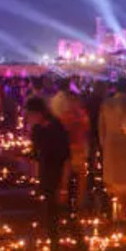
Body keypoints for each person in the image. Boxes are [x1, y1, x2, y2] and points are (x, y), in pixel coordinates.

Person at [25, 97, 71, 251]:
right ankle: (54, 245)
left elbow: (66, 157)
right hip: (45, 174)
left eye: (31, 115)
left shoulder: (56, 128)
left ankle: (62, 248)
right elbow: (36, 154)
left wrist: (64, 186)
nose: (29, 118)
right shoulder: (38, 130)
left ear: (40, 113)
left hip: (59, 173)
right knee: (50, 210)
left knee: (62, 211)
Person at [99, 80, 126, 221]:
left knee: (114, 177)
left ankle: (117, 211)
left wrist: (104, 143)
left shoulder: (106, 104)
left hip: (111, 143)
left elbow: (101, 127)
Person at [50, 78, 91, 214]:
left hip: (68, 145)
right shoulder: (77, 113)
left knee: (66, 175)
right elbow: (86, 126)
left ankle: (64, 201)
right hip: (75, 145)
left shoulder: (57, 105)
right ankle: (78, 202)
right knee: (78, 175)